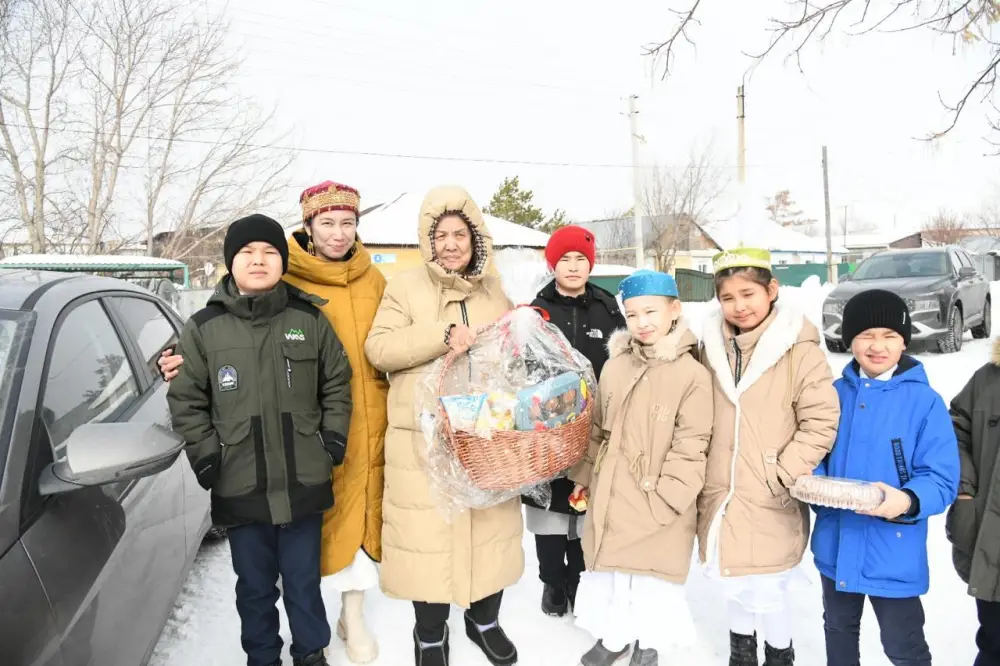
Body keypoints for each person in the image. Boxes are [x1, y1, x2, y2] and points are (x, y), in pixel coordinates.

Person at [159, 181, 389, 663]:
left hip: (304, 480)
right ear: (231, 262)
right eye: (247, 251)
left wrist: (330, 445)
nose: (259, 259)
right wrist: (208, 461)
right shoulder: (204, 329)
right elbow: (187, 401)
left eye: (269, 251)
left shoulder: (307, 319)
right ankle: (261, 654)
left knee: (305, 583)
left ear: (284, 260)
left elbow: (336, 384)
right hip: (240, 485)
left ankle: (311, 651)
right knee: (255, 587)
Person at [364, 186, 522, 666]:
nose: (451, 244)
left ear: (477, 239)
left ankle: (484, 620)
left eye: (460, 234)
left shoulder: (495, 290)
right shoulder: (405, 287)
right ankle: (429, 633)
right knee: (427, 540)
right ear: (427, 241)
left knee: (489, 532)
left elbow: (512, 353)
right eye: (441, 235)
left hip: (486, 438)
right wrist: (441, 336)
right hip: (423, 439)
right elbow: (380, 349)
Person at [697, 248, 839, 666]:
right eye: (728, 297)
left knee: (768, 587)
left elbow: (820, 421)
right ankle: (741, 654)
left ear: (771, 290)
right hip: (722, 489)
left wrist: (782, 472)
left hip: (769, 491)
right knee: (733, 578)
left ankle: (780, 655)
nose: (739, 306)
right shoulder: (709, 346)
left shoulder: (799, 349)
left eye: (748, 293)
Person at [568, 270, 712, 666]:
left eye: (651, 311)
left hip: (656, 495)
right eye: (632, 315)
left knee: (650, 580)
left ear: (674, 310)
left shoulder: (692, 374)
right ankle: (614, 637)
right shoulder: (615, 366)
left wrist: (668, 497)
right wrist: (585, 479)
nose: (642, 322)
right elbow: (599, 426)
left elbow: (692, 444)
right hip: (613, 488)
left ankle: (649, 642)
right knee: (614, 575)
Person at [810, 289, 959, 666]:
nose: (878, 346)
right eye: (866, 335)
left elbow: (940, 478)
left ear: (904, 340)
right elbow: (811, 450)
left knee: (903, 644)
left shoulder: (924, 402)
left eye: (889, 335)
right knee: (839, 632)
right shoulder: (832, 395)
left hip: (892, 549)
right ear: (850, 339)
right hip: (837, 543)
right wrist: (814, 483)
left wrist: (907, 500)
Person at [523, 225, 626, 618]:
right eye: (564, 258)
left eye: (580, 259)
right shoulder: (535, 309)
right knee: (549, 506)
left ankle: (579, 580)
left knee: (586, 505)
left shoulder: (607, 307)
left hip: (594, 425)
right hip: (546, 430)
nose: (573, 266)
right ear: (553, 263)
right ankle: (552, 581)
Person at [949, 332, 1000, 666]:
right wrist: (967, 488)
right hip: (993, 538)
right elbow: (954, 429)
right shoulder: (987, 379)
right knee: (994, 639)